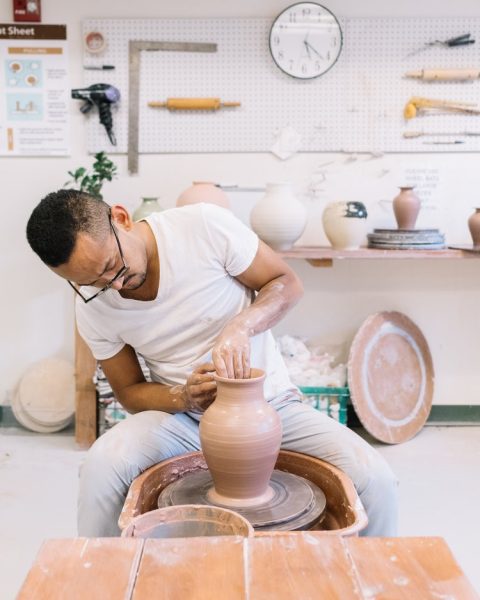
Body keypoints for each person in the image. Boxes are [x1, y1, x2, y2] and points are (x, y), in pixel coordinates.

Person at [26, 189, 398, 537]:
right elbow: (129, 392)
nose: (115, 286)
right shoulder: (93, 307)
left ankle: (375, 581)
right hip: (181, 421)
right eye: (94, 283)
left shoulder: (201, 227)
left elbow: (286, 282)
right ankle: (102, 579)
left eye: (112, 265)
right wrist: (182, 397)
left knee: (375, 478)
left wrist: (242, 326)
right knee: (101, 466)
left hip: (272, 406)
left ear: (121, 218)